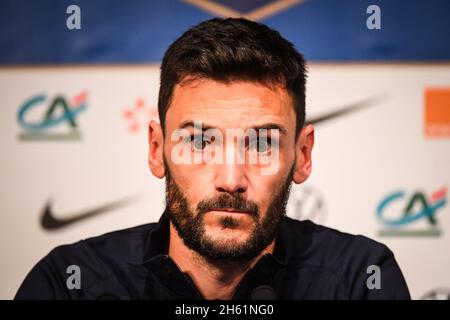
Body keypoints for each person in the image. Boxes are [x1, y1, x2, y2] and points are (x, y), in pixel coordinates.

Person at [15, 18, 410, 300]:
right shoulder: (72, 283)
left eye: (262, 144)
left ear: (303, 155)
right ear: (157, 150)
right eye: (200, 142)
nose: (231, 179)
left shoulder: (360, 280)